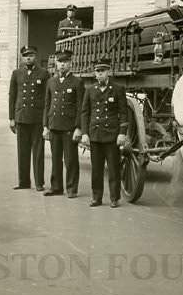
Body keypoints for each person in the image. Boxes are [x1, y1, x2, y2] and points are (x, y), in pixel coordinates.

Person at [81, 57, 129, 208]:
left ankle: (115, 198)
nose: (100, 74)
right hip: (95, 135)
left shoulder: (118, 89)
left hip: (112, 135)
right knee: (96, 169)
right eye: (97, 71)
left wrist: (122, 133)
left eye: (103, 71)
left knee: (114, 168)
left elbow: (123, 113)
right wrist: (85, 133)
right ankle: (96, 197)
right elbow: (85, 113)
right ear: (94, 73)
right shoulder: (90, 90)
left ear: (109, 72)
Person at [8, 46, 49, 191]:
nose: (28, 58)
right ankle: (23, 182)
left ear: (35, 56)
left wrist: (45, 121)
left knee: (38, 153)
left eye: (31, 55)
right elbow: (12, 96)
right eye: (26, 56)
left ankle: (39, 183)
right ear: (22, 58)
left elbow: (47, 98)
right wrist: (11, 118)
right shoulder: (16, 73)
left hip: (37, 118)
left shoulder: (44, 73)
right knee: (22, 152)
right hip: (21, 117)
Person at [43, 50, 82, 198]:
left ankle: (72, 188)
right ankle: (56, 187)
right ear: (56, 64)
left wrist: (78, 127)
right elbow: (47, 105)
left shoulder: (77, 82)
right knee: (55, 159)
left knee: (71, 160)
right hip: (54, 125)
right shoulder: (51, 82)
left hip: (69, 127)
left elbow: (80, 107)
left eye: (65, 62)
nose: (62, 65)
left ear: (70, 64)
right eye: (60, 62)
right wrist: (45, 126)